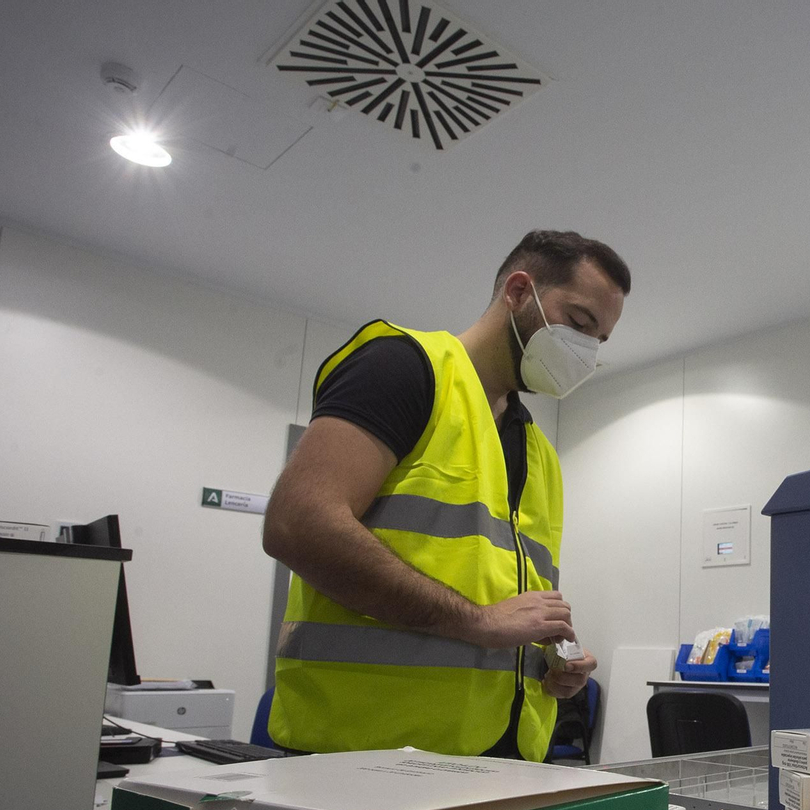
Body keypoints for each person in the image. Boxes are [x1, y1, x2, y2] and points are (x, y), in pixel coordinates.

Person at [261, 229, 629, 760]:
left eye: (599, 341)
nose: (586, 351)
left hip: (500, 760)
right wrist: (480, 623)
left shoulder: (538, 452)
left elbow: (503, 607)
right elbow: (298, 524)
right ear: (520, 291)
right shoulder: (404, 368)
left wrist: (548, 664)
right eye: (578, 323)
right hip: (366, 757)